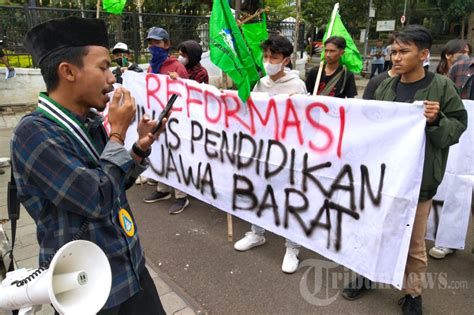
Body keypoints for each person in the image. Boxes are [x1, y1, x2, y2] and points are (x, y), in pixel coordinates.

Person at [12, 17, 168, 314]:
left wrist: (138, 148)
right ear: (68, 71)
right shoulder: (34, 133)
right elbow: (94, 199)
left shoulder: (90, 121)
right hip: (86, 287)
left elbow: (112, 185)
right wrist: (119, 134)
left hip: (129, 268)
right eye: (103, 67)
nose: (112, 78)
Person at [341, 25, 467, 315]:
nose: (395, 57)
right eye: (393, 51)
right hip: (381, 180)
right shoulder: (383, 86)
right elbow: (369, 128)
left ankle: (412, 294)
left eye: (403, 51)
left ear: (423, 55)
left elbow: (457, 128)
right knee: (374, 231)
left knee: (413, 243)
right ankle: (367, 274)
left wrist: (436, 121)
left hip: (418, 183)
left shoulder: (442, 88)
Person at [234, 35, 307, 274]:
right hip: (262, 151)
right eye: (265, 56)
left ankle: (292, 246)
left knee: (289, 199)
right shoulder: (259, 83)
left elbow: (307, 123)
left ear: (286, 60)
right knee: (259, 193)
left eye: (273, 57)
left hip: (288, 155)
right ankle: (257, 233)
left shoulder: (297, 86)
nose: (268, 61)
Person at [142, 26, 191, 215]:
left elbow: (188, 92)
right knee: (159, 152)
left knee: (176, 156)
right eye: (150, 43)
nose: (153, 46)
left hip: (176, 120)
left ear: (166, 44)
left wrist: (179, 80)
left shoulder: (176, 66)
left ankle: (181, 195)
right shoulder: (151, 67)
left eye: (157, 42)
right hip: (157, 118)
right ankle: (162, 190)